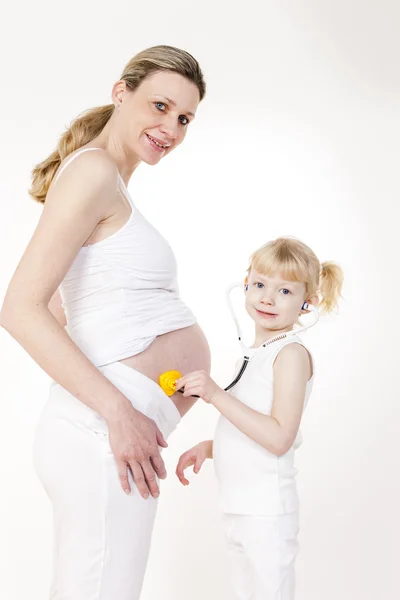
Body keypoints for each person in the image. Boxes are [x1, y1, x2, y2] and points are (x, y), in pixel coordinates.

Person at [0, 45, 211, 600]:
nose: (170, 128)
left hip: (109, 431)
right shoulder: (94, 171)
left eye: (184, 118)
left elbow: (53, 308)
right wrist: (118, 412)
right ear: (122, 92)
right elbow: (19, 307)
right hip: (106, 433)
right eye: (160, 106)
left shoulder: (108, 180)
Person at [175, 236, 344, 600]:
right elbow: (253, 427)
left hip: (266, 511)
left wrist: (216, 395)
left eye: (285, 291)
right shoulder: (256, 354)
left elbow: (279, 436)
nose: (267, 297)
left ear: (307, 303)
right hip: (239, 506)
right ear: (246, 284)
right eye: (261, 284)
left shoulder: (291, 354)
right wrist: (210, 447)